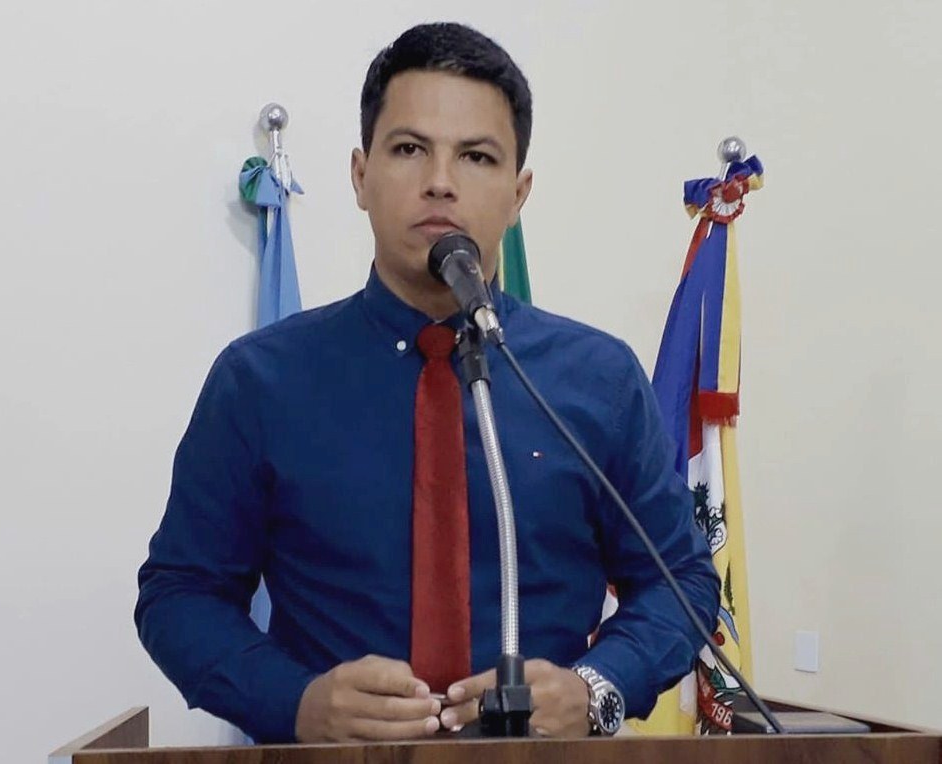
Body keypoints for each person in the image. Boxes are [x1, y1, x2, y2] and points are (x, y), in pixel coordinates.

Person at [135, 22, 720, 745]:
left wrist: (595, 689)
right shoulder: (260, 380)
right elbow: (180, 594)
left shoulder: (598, 379)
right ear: (360, 175)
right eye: (410, 149)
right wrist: (296, 703)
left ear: (518, 192)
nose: (440, 180)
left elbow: (680, 580)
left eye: (477, 156)